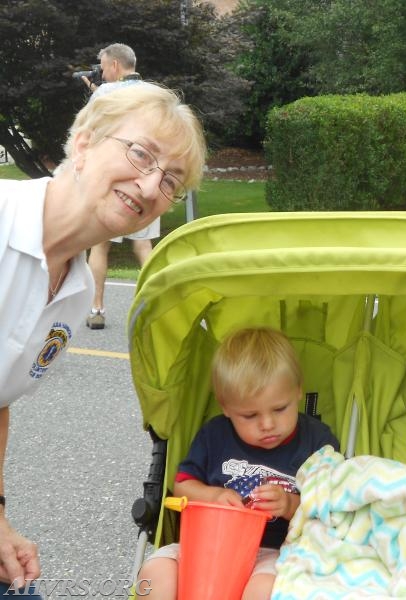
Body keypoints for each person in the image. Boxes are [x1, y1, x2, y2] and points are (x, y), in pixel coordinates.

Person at [0, 82, 206, 593]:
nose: (152, 184)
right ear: (86, 141)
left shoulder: (73, 291)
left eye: (171, 181)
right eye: (142, 154)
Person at [137, 327, 340, 600]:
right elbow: (182, 486)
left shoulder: (317, 442)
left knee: (265, 592)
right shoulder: (215, 435)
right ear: (226, 407)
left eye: (280, 409)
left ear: (298, 392)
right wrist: (214, 495)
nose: (267, 424)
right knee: (155, 573)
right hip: (207, 545)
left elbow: (335, 505)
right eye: (249, 415)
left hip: (276, 552)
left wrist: (292, 505)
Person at [82, 43, 155, 330]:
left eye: (102, 67)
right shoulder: (154, 94)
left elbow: (88, 128)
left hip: (112, 179)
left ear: (114, 66)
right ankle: (154, 304)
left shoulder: (104, 93)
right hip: (146, 177)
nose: (101, 72)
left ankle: (96, 309)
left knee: (100, 246)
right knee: (142, 244)